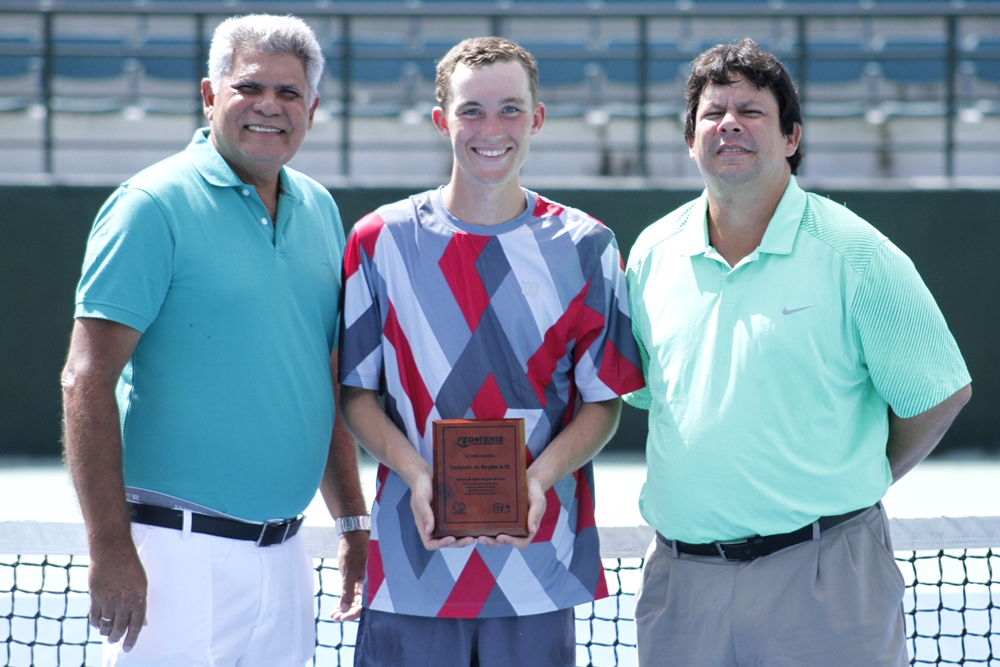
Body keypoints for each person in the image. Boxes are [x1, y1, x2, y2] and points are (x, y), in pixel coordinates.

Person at [624, 38, 971, 667]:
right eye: (712, 112)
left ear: (791, 138)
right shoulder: (650, 254)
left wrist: (853, 482)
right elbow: (651, 392)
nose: (729, 122)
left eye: (752, 111)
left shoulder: (858, 253)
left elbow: (939, 395)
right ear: (690, 141)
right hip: (682, 590)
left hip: (825, 583)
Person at [60, 14, 369, 666]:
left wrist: (352, 519)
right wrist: (111, 545)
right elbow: (85, 378)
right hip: (175, 558)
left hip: (286, 562)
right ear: (209, 95)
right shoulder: (150, 204)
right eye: (249, 87)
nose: (269, 106)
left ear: (311, 110)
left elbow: (321, 374)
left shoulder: (320, 208)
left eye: (289, 94)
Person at [337, 36, 646, 667]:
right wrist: (419, 475)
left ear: (536, 119)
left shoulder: (589, 246)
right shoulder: (378, 240)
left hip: (537, 570)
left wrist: (536, 479)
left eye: (510, 109)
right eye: (471, 110)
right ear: (440, 121)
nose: (491, 128)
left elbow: (602, 404)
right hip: (411, 568)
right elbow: (357, 397)